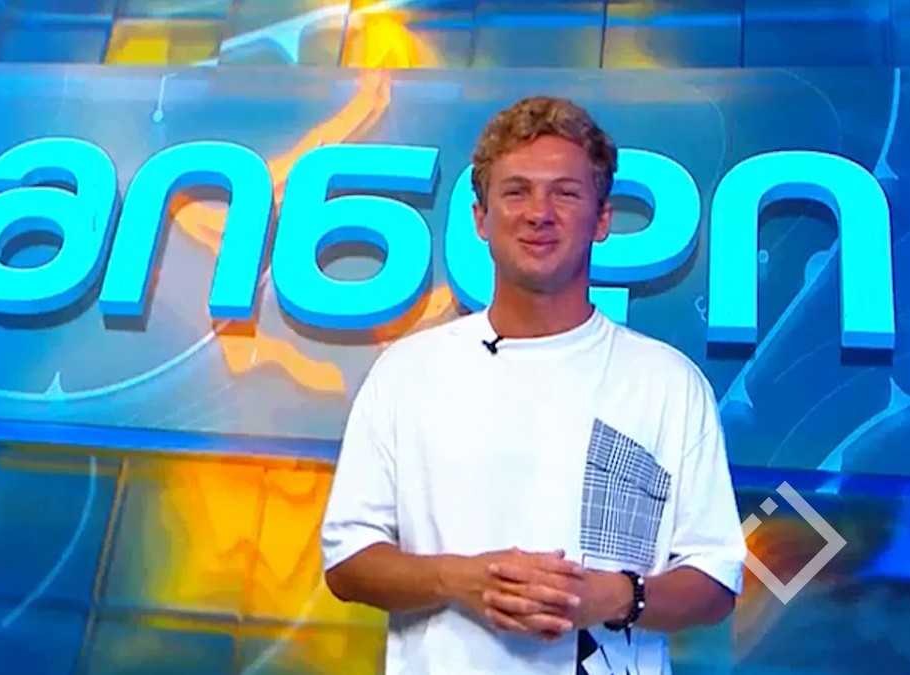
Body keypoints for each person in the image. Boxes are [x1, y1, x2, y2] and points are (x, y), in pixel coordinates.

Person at [319, 96, 748, 675]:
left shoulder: (668, 384)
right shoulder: (407, 372)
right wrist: (461, 579)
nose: (539, 213)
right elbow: (348, 561)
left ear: (602, 220)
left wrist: (615, 596)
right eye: (516, 192)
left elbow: (715, 581)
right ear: (480, 219)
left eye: (565, 193)